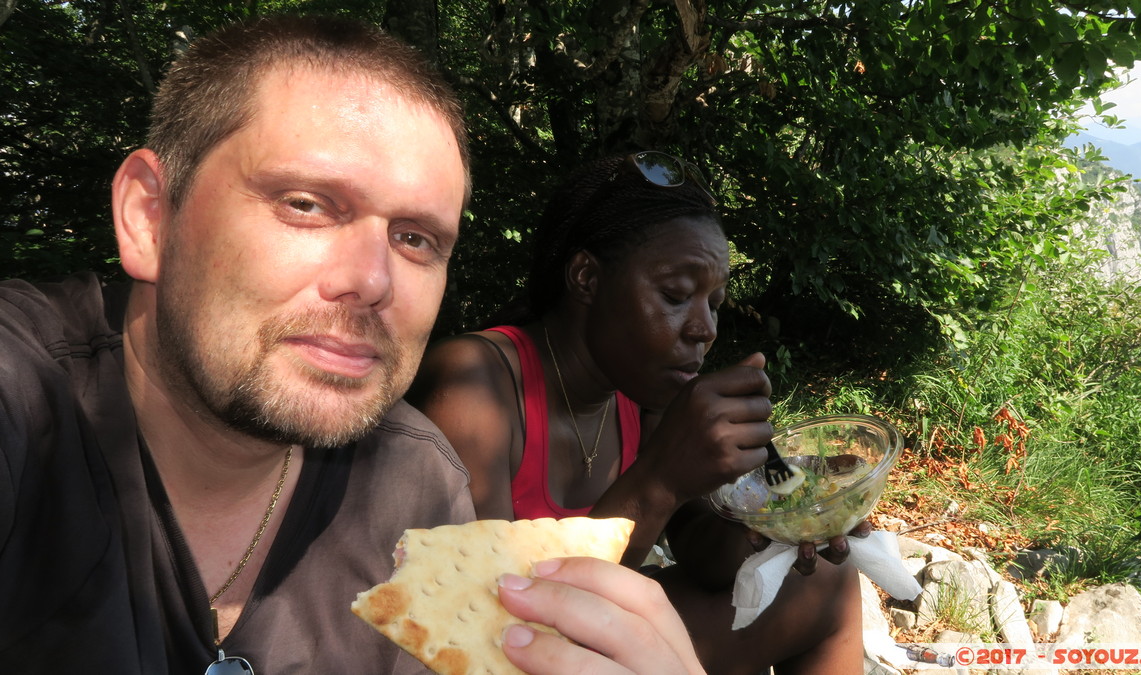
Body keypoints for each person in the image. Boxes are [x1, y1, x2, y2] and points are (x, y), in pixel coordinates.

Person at [0, 16, 704, 675]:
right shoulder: (23, 402)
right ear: (150, 218)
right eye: (305, 204)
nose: (372, 281)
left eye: (415, 238)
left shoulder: (415, 485)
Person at [408, 152, 866, 674]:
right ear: (585, 277)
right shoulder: (472, 384)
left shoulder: (642, 392)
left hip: (586, 639)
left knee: (828, 585)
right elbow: (487, 624)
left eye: (714, 303)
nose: (704, 329)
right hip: (499, 648)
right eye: (676, 295)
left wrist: (778, 518)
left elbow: (707, 562)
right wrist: (660, 479)